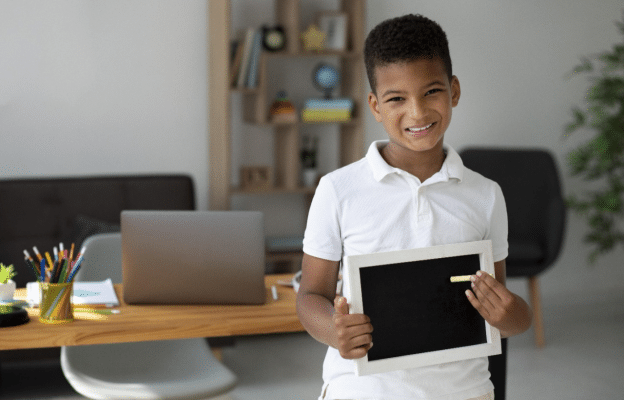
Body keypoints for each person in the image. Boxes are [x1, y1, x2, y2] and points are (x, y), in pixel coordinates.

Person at [296, 13, 532, 400]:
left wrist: (511, 315)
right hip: (362, 391)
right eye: (396, 99)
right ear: (375, 105)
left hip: (465, 391)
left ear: (454, 91)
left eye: (431, 92)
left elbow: (506, 309)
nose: (418, 113)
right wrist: (334, 331)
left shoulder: (486, 195)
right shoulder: (337, 190)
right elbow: (310, 297)